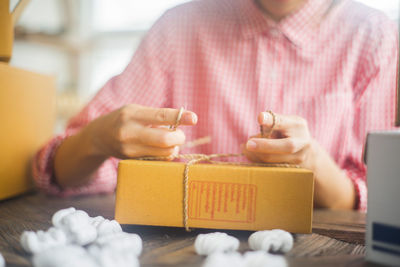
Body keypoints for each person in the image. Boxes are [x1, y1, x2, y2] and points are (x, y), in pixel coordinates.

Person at [33, 0, 398, 211]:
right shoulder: (180, 27)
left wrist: (313, 162)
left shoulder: (373, 36)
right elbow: (57, 170)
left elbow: (378, 201)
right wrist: (97, 138)